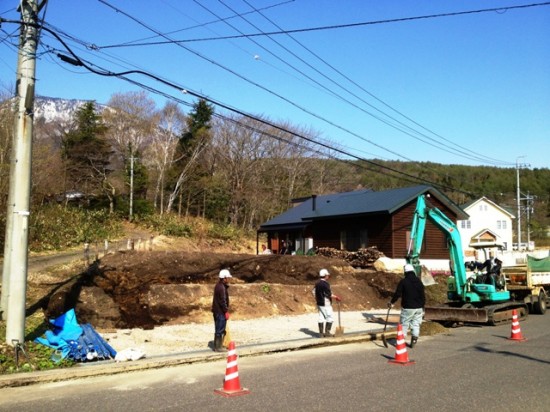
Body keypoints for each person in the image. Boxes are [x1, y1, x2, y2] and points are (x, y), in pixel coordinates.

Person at [389, 264, 425, 348]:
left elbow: (397, 293)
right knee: (416, 323)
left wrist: (392, 302)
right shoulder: (419, 281)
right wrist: (423, 306)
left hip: (408, 307)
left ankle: (401, 340)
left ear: (405, 272)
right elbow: (423, 295)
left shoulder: (404, 281)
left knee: (404, 323)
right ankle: (415, 338)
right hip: (419, 307)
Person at [314, 268, 341, 338]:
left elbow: (313, 292)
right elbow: (328, 294)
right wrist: (336, 297)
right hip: (326, 303)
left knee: (321, 317)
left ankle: (321, 334)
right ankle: (327, 333)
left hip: (319, 303)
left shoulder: (317, 283)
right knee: (330, 317)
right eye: (327, 275)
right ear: (325, 275)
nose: (328, 276)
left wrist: (317, 298)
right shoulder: (325, 284)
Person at [211, 269, 232, 352]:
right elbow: (222, 301)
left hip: (217, 311)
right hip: (220, 312)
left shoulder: (218, 286)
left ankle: (217, 346)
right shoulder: (221, 288)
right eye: (227, 278)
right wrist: (226, 311)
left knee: (218, 329)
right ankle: (218, 347)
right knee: (220, 329)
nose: (228, 279)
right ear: (224, 278)